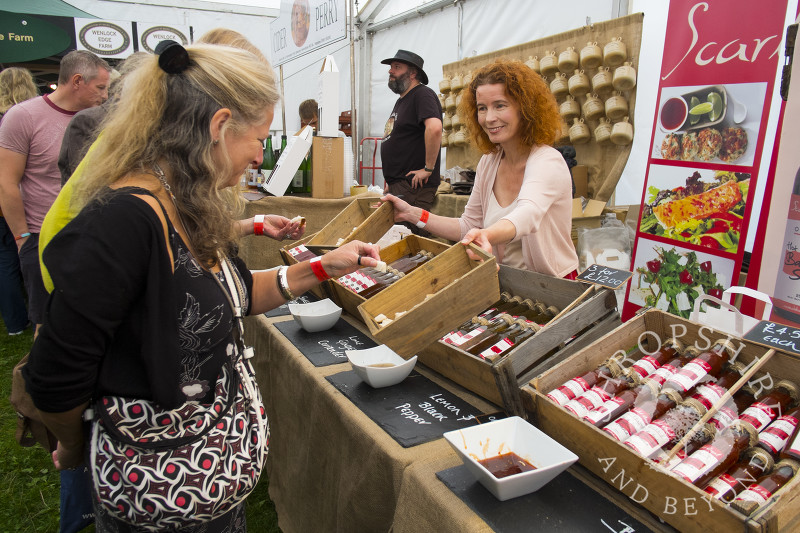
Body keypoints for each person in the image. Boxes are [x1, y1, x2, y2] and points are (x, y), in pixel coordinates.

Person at [22, 41, 379, 532]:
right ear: (217, 126)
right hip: (160, 503)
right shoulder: (121, 224)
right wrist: (72, 442)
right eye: (257, 137)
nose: (259, 154)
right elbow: (54, 378)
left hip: (211, 493)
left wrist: (322, 268)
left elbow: (238, 293)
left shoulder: (186, 204)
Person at [382, 59, 579, 278]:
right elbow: (467, 226)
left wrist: (487, 235)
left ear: (526, 108)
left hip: (553, 284)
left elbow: (528, 214)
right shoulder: (489, 161)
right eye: (482, 108)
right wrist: (412, 213)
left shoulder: (548, 161)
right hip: (503, 281)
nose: (489, 118)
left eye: (500, 105)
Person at [0, 50, 111, 334]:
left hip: (94, 233)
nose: (105, 95)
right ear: (77, 81)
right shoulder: (22, 116)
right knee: (47, 323)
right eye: (100, 87)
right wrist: (23, 239)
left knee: (91, 319)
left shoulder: (102, 119)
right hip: (44, 235)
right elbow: (6, 183)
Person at [379, 49, 443, 237]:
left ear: (413, 73)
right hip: (402, 184)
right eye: (391, 67)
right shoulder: (403, 100)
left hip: (414, 186)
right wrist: (392, 180)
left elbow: (435, 128)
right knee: (399, 239)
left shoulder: (422, 94)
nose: (391, 71)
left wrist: (428, 169)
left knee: (410, 240)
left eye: (397, 67)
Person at [0, 67, 38, 335]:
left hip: (7, 201)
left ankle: (15, 322)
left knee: (5, 262)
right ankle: (35, 317)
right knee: (24, 256)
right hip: (22, 202)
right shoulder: (30, 117)